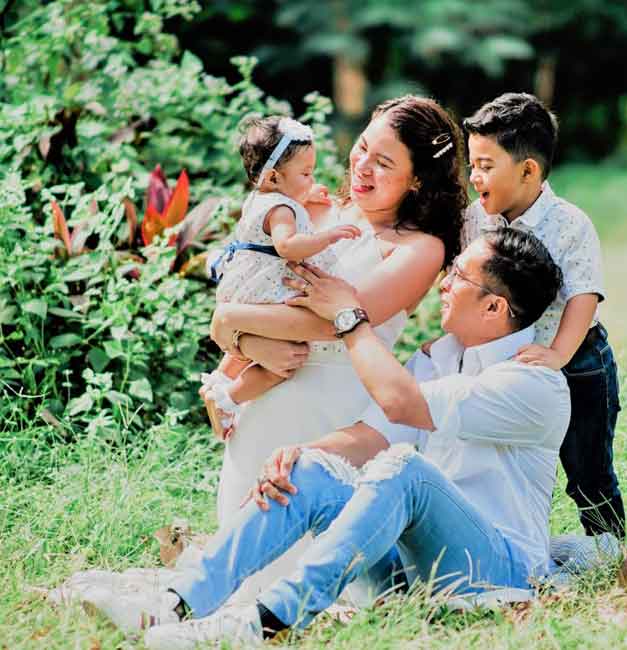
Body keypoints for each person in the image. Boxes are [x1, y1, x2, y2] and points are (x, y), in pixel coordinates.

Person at [80, 229, 571, 647]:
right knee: (312, 467)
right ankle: (175, 605)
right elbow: (373, 433)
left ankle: (265, 621)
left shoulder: (533, 383)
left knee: (408, 469)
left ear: (494, 307)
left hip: (495, 573)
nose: (444, 282)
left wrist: (349, 317)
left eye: (459, 276)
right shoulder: (439, 358)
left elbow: (403, 407)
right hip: (411, 570)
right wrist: (300, 455)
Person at [207, 96, 467, 598]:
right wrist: (225, 375)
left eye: (384, 162)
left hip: (333, 414)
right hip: (262, 401)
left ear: (417, 181)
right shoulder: (312, 212)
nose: (362, 166)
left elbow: (328, 324)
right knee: (240, 560)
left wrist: (228, 320)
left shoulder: (418, 249)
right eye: (363, 148)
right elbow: (265, 284)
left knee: (312, 571)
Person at [460, 93, 624, 538]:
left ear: (528, 170)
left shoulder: (569, 224)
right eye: (472, 164)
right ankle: (516, 542)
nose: (474, 177)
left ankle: (608, 550)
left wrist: (557, 354)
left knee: (587, 467)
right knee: (510, 465)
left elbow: (583, 296)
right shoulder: (476, 220)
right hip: (507, 364)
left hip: (578, 362)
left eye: (486, 166)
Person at [202, 115, 362, 439]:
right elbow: (287, 245)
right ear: (274, 177)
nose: (311, 178)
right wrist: (328, 236)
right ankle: (229, 398)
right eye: (306, 173)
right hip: (267, 288)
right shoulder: (281, 210)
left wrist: (306, 192)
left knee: (270, 346)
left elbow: (284, 207)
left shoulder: (263, 198)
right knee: (288, 359)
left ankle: (222, 381)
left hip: (246, 285)